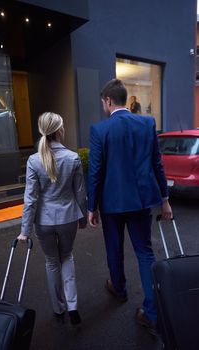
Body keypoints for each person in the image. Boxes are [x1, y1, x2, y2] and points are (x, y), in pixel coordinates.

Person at [88, 79, 172, 335]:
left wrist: (91, 206)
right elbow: (157, 163)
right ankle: (151, 312)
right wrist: (165, 199)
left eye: (103, 102)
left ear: (109, 101)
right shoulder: (147, 123)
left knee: (114, 250)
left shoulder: (99, 130)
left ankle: (120, 288)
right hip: (140, 202)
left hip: (112, 204)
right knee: (145, 253)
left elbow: (96, 171)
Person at [17, 112, 87, 325]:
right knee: (66, 256)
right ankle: (73, 306)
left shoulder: (33, 160)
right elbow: (81, 193)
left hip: (44, 221)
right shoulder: (73, 157)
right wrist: (82, 218)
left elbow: (30, 198)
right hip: (67, 217)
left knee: (51, 262)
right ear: (59, 130)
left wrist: (24, 231)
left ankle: (58, 308)